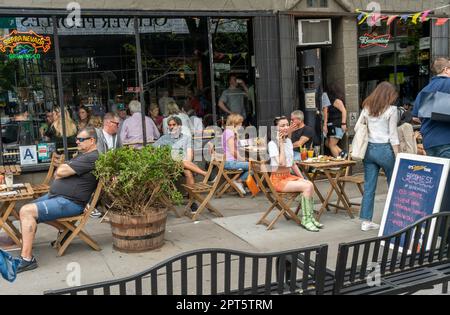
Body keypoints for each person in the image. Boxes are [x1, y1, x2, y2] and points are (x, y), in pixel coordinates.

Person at [15, 127, 100, 273]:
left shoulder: (92, 157)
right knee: (27, 210)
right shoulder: (82, 155)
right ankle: (64, 229)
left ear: (92, 141)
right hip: (58, 197)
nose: (77, 142)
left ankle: (27, 259)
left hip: (70, 202)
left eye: (81, 139)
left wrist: (63, 170)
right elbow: (58, 173)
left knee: (26, 212)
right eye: (77, 139)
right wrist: (62, 170)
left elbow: (60, 171)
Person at [357, 81, 400, 232]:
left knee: (369, 187)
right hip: (385, 149)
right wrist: (398, 154)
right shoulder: (392, 110)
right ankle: (396, 217)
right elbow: (393, 135)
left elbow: (358, 127)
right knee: (394, 184)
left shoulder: (367, 107)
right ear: (389, 95)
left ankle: (366, 221)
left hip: (369, 149)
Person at [268, 116, 323, 232]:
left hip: (288, 176)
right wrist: (281, 144)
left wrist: (302, 178)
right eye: (282, 125)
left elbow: (292, 163)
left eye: (287, 124)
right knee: (307, 186)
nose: (286, 127)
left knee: (309, 184)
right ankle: (306, 220)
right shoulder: (272, 144)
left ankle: (309, 217)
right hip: (277, 180)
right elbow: (282, 163)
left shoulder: (288, 141)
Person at [154, 116, 207, 212]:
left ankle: (192, 201)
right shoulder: (164, 138)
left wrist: (185, 161)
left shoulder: (186, 138)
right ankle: (204, 173)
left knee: (188, 172)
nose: (171, 127)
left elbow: (189, 155)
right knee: (179, 161)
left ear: (179, 126)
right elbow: (152, 149)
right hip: (168, 165)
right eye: (169, 125)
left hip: (183, 164)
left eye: (174, 125)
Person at [413, 57, 450, 158]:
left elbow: (415, 117)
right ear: (446, 70)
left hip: (429, 143)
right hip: (447, 141)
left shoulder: (425, 90)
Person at [222, 114, 249, 195]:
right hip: (230, 162)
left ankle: (240, 183)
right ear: (235, 123)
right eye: (240, 123)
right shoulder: (230, 133)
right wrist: (241, 158)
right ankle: (238, 182)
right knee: (253, 166)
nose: (241, 125)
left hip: (228, 161)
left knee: (249, 163)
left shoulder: (227, 132)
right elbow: (232, 151)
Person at [323, 83, 348, 158]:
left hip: (337, 124)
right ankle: (343, 154)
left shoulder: (336, 100)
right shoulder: (330, 101)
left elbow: (344, 111)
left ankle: (338, 163)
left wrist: (343, 123)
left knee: (331, 145)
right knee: (327, 143)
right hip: (333, 125)